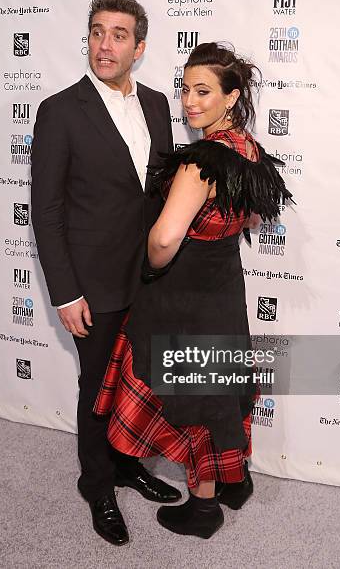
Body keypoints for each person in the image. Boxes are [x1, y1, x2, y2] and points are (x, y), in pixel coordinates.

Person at [94, 42, 293, 539]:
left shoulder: (201, 160)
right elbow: (247, 215)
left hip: (184, 293)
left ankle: (203, 506)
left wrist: (153, 264)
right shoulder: (247, 150)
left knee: (193, 393)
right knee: (216, 383)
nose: (189, 102)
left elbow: (163, 238)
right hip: (223, 283)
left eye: (203, 91)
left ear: (232, 96)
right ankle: (234, 479)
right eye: (185, 89)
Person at [30, 0, 181, 547]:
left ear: (139, 48)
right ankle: (96, 484)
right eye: (97, 32)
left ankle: (125, 464)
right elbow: (46, 212)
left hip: (149, 279)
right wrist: (65, 292)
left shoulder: (160, 105)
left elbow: (160, 195)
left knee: (138, 383)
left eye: (118, 35)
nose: (105, 44)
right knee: (97, 387)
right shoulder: (60, 111)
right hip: (92, 284)